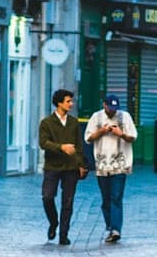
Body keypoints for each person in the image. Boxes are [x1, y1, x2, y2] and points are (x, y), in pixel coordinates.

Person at [85, 94, 138, 243]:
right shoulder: (96, 117)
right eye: (110, 108)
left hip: (120, 164)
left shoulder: (125, 117)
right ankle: (110, 226)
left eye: (115, 109)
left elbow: (133, 137)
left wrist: (120, 134)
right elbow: (88, 138)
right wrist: (102, 131)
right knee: (106, 198)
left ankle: (116, 229)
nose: (113, 112)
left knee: (116, 197)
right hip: (102, 165)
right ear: (104, 105)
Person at [38, 89, 85, 245]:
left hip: (71, 168)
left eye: (72, 101)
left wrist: (81, 164)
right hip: (52, 166)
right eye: (68, 101)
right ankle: (53, 222)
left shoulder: (73, 122)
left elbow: (79, 145)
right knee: (47, 196)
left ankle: (63, 234)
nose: (71, 104)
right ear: (59, 103)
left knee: (68, 201)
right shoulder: (46, 123)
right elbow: (43, 143)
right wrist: (61, 147)